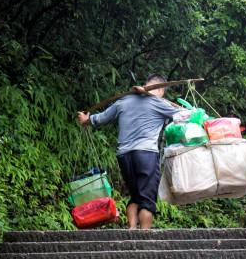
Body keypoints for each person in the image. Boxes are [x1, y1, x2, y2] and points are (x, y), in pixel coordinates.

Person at [77, 74, 184, 230]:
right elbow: (187, 115)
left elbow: (98, 119)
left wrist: (86, 119)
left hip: (124, 156)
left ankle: (132, 230)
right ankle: (144, 236)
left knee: (135, 194)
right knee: (147, 198)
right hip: (146, 154)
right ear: (161, 89)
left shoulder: (124, 101)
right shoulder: (159, 103)